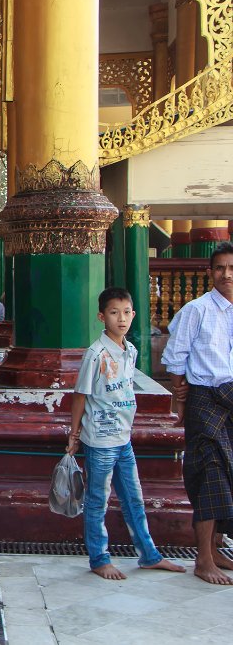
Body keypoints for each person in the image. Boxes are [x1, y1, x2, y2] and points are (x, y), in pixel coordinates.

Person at [66, 287, 186, 581]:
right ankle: (99, 558)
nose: (121, 319)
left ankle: (149, 555)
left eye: (126, 312)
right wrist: (74, 433)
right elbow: (80, 396)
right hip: (100, 440)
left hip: (124, 439)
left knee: (134, 499)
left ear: (133, 314)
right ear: (101, 316)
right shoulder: (95, 354)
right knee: (98, 501)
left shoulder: (129, 351)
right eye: (113, 312)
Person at [161, 242, 233, 585]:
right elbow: (176, 356)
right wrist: (180, 394)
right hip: (205, 397)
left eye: (232, 268)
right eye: (220, 268)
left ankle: (218, 548)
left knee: (230, 477)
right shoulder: (196, 310)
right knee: (210, 474)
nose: (226, 274)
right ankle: (203, 559)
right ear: (210, 272)